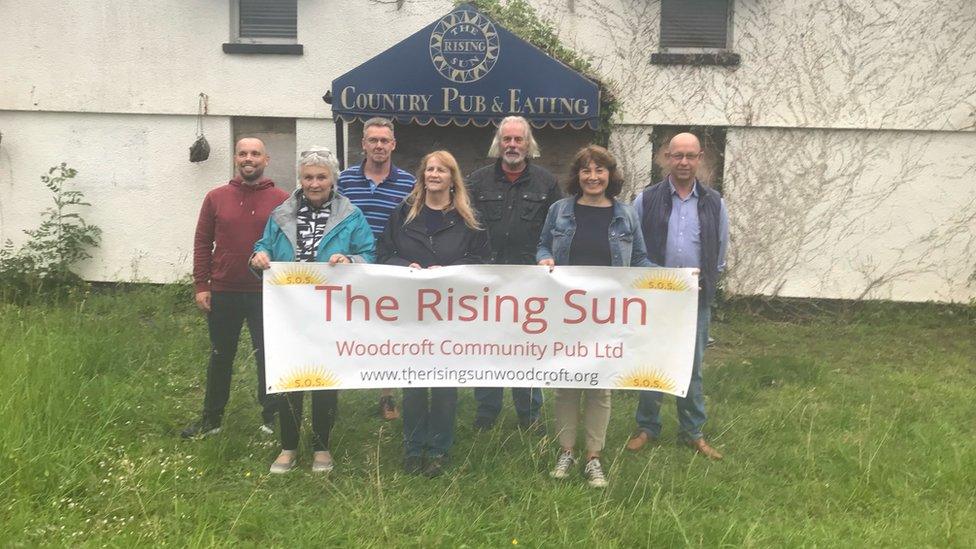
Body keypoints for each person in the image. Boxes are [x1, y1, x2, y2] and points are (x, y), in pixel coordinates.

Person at [249, 147, 376, 474]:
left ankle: (322, 447)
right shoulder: (282, 213)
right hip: (288, 310)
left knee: (323, 379)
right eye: (308, 177)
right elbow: (262, 247)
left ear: (333, 178)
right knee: (289, 379)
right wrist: (259, 257)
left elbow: (368, 255)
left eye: (321, 177)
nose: (315, 183)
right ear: (300, 179)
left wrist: (350, 261)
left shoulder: (351, 215)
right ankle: (288, 446)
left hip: (330, 311)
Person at [537, 144, 653, 488]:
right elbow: (543, 244)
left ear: (610, 175)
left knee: (600, 387)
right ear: (577, 176)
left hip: (608, 313)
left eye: (599, 170)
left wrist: (676, 278)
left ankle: (593, 457)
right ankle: (566, 451)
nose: (592, 177)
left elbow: (641, 260)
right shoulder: (560, 211)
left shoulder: (626, 214)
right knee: (566, 384)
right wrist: (544, 259)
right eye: (586, 170)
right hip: (567, 311)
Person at [377, 150, 489, 478]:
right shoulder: (403, 214)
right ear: (422, 176)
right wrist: (404, 265)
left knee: (444, 384)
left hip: (451, 312)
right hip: (409, 310)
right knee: (413, 382)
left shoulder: (469, 219)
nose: (434, 174)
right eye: (429, 169)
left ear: (452, 178)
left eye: (441, 170)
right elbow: (384, 253)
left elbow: (481, 261)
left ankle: (438, 449)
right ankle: (413, 449)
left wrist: (450, 271)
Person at [625, 132, 729, 461]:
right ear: (667, 158)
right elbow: (634, 245)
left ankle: (693, 432)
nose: (684, 162)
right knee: (653, 361)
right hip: (656, 299)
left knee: (692, 366)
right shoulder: (647, 199)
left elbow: (720, 252)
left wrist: (705, 280)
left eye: (690, 156)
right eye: (677, 156)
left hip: (695, 299)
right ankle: (647, 427)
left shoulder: (714, 202)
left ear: (700, 159)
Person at [182, 137, 289, 439]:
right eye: (243, 153)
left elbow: (287, 245)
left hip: (267, 293)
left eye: (255, 154)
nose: (249, 159)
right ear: (235, 159)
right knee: (220, 356)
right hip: (224, 291)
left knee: (267, 356)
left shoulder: (282, 200)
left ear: (266, 160)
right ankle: (211, 419)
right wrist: (202, 284)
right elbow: (203, 242)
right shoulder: (215, 197)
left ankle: (272, 417)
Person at [467, 116, 559, 432]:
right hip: (487, 281)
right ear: (498, 143)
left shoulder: (546, 183)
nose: (512, 145)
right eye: (507, 139)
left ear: (528, 143)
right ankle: (486, 411)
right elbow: (466, 227)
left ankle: (529, 413)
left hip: (528, 281)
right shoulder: (477, 182)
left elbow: (555, 232)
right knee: (488, 346)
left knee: (527, 346)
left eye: (518, 140)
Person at [338, 117, 416, 421]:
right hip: (352, 265)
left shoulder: (409, 183)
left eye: (384, 140)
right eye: (373, 140)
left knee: (389, 333)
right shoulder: (344, 180)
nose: (379, 146)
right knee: (350, 330)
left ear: (393, 145)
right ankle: (338, 385)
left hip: (390, 265)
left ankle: (386, 396)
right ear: (363, 144)